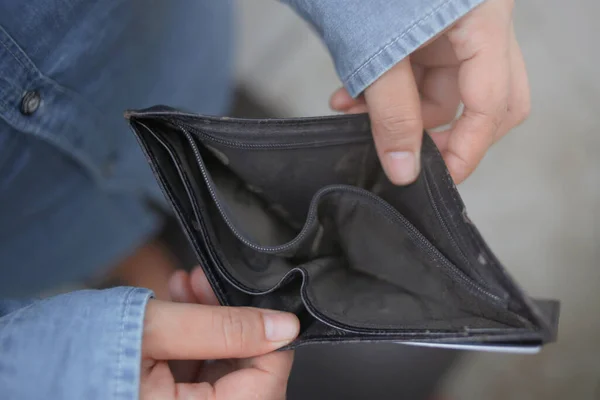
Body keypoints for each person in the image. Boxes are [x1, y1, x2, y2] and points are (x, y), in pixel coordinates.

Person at [0, 0, 529, 398]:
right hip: (35, 246)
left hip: (183, 96)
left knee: (410, 358)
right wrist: (69, 367)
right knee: (379, 369)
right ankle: (116, 257)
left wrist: (403, 11)